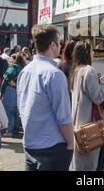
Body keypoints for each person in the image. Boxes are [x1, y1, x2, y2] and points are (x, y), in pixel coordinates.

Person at [17, 24, 74, 171]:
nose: (61, 46)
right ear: (53, 44)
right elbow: (63, 117)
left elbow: (22, 107)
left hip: (30, 143)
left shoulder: (25, 71)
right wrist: (71, 143)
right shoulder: (54, 74)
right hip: (51, 147)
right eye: (60, 42)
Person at [69, 40, 104, 171]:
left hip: (76, 127)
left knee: (77, 165)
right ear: (87, 53)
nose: (93, 53)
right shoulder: (89, 70)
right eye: (92, 50)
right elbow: (98, 98)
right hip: (89, 128)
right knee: (89, 166)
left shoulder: (76, 71)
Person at [0, 53, 26, 138]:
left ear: (15, 60)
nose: (10, 60)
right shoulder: (23, 68)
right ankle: (16, 130)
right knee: (16, 112)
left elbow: (5, 79)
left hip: (10, 91)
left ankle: (9, 131)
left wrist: (1, 90)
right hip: (19, 91)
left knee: (9, 112)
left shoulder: (13, 67)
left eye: (11, 59)